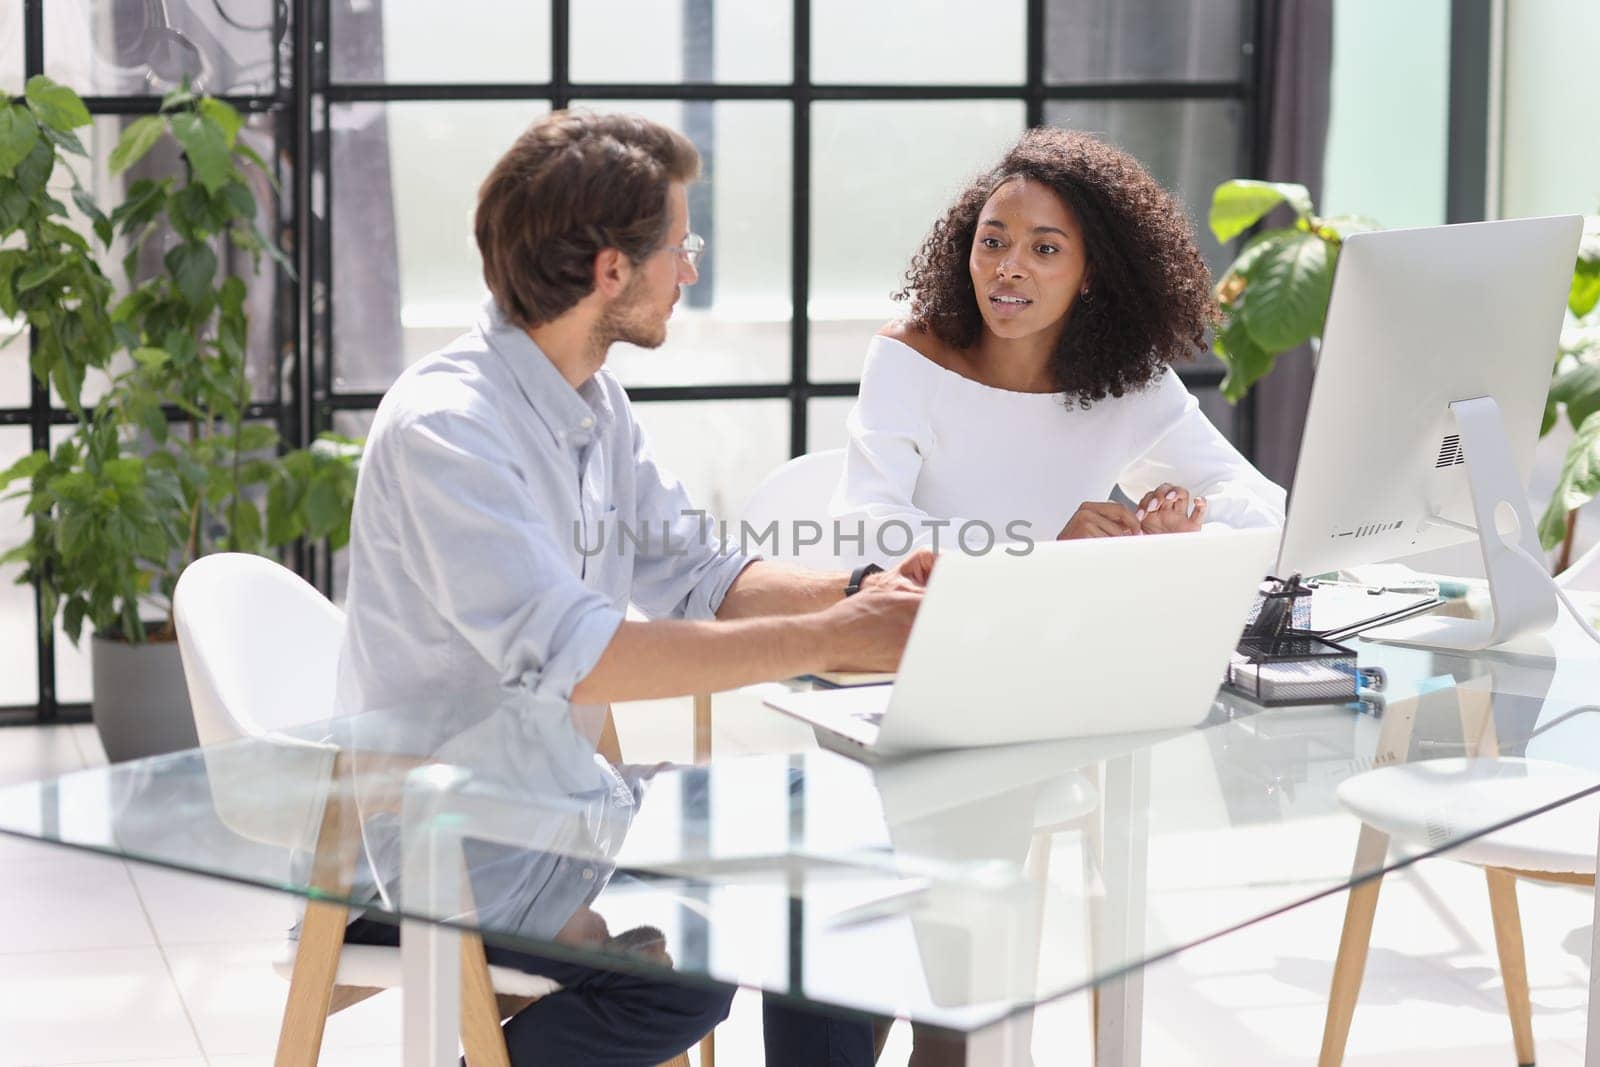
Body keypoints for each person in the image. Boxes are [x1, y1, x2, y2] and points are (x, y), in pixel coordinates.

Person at [335, 110, 928, 1067]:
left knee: (830, 822)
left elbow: (697, 572)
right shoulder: (447, 429)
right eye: (680, 248)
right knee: (687, 966)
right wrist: (833, 638)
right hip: (450, 841)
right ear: (613, 269)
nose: (688, 271)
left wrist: (864, 591)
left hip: (566, 806)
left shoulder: (590, 397)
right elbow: (587, 656)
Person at [833, 127, 1285, 566]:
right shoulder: (912, 357)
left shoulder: (1123, 379)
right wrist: (1043, 549)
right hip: (919, 627)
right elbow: (865, 532)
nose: (1009, 267)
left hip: (1067, 632)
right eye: (992, 242)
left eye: (1045, 249)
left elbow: (1260, 505)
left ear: (1090, 273)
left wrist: (1184, 536)